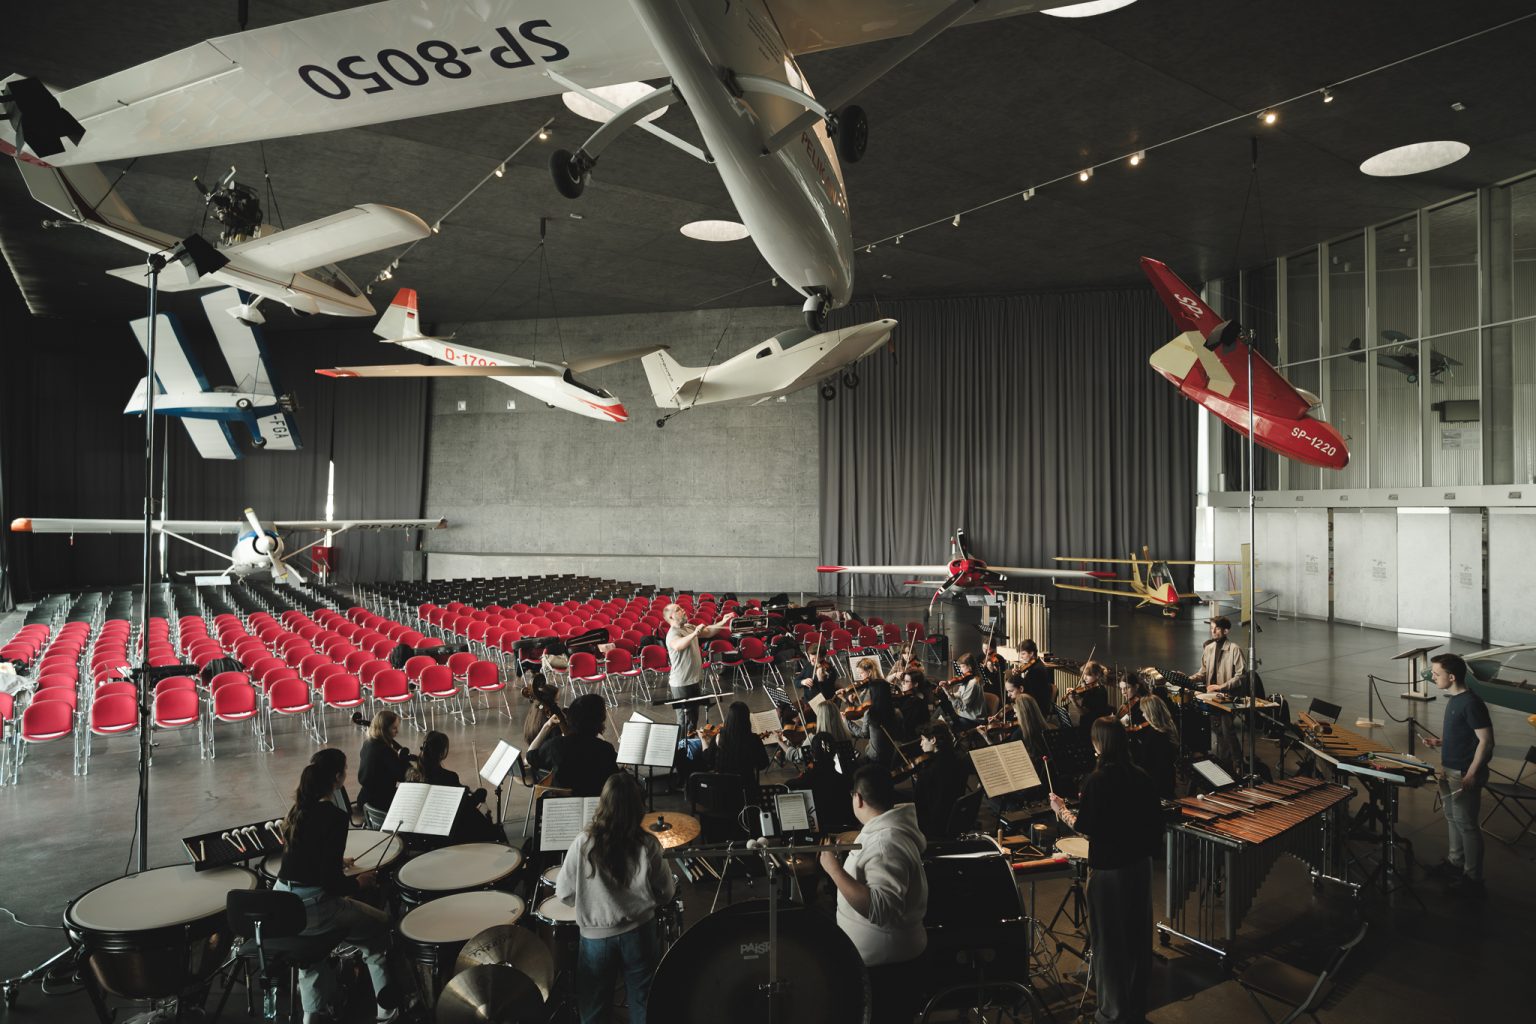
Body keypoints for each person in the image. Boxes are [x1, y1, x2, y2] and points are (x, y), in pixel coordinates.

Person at [1050, 719, 1162, 1024]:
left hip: (1110, 872)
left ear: (1099, 745)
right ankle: (1135, 1008)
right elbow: (1154, 823)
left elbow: (1087, 828)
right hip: (1140, 867)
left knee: (1109, 943)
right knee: (1138, 939)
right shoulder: (1142, 776)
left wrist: (1061, 811)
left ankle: (1111, 1013)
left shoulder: (1096, 781)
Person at [275, 748, 398, 1024]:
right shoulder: (334, 817)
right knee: (379, 927)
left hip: (283, 904)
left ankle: (311, 1015)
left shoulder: (298, 808)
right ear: (338, 778)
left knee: (311, 956)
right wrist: (358, 882)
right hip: (315, 908)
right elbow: (332, 885)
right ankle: (386, 1009)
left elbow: (304, 856)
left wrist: (337, 861)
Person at [555, 773, 676, 1024]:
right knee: (643, 1004)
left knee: (594, 1009)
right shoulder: (648, 844)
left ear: (603, 803)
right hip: (639, 933)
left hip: (595, 940)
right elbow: (666, 892)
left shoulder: (583, 843)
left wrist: (592, 900)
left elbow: (564, 893)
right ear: (638, 807)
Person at [820, 766, 929, 1021]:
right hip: (884, 961)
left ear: (858, 798)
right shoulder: (885, 833)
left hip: (886, 970)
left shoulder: (885, 844)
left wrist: (834, 870)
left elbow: (881, 908)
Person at [1421, 653, 1494, 897]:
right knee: (1453, 818)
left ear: (1451, 677)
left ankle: (1473, 878)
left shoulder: (1471, 703)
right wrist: (1441, 742)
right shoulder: (1455, 700)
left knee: (1467, 825)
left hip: (1463, 772)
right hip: (1449, 768)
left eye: (1436, 674)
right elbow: (1465, 734)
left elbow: (1486, 741)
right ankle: (1455, 863)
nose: (1433, 677)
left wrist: (1471, 773)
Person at [407, 730, 501, 842]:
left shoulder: (412, 774)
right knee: (489, 829)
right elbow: (464, 807)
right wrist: (479, 794)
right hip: (448, 833)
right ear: (442, 753)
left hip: (423, 831)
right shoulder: (449, 777)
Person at [527, 693, 619, 797]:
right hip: (594, 805)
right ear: (599, 722)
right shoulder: (605, 749)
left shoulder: (555, 746)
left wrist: (547, 726)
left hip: (561, 804)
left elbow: (530, 756)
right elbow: (615, 781)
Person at [663, 603, 735, 732]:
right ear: (671, 617)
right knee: (684, 720)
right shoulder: (672, 634)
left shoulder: (688, 627)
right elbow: (678, 645)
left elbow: (708, 632)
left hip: (694, 680)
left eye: (681, 608)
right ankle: (681, 744)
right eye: (678, 610)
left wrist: (723, 621)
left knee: (693, 719)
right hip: (681, 683)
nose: (683, 610)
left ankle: (691, 741)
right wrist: (695, 633)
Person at [789, 704, 857, 832]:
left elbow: (795, 757)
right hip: (842, 807)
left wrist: (783, 743)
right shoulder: (847, 735)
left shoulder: (813, 739)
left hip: (819, 816)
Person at [1188, 616, 1245, 762]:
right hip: (1211, 696)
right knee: (1218, 730)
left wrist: (1221, 686)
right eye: (1212, 628)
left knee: (1227, 730)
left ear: (1226, 631)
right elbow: (1203, 673)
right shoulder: (1209, 648)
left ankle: (1238, 762)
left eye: (1217, 628)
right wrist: (1188, 679)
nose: (1213, 631)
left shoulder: (1234, 649)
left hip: (1228, 696)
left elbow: (1241, 676)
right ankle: (1224, 761)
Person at [911, 721, 970, 838]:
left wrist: (920, 782)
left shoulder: (928, 771)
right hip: (954, 821)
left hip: (933, 829)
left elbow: (919, 806)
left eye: (923, 739)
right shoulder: (960, 760)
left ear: (933, 740)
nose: (921, 744)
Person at [700, 700, 770, 797]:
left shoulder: (719, 737)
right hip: (746, 792)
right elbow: (763, 764)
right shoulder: (753, 739)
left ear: (728, 717)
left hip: (722, 793)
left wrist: (703, 740)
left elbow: (708, 760)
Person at [357, 709, 412, 825]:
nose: (397, 731)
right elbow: (402, 776)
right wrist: (403, 760)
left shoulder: (368, 743)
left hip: (364, 798)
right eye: (394, 728)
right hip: (379, 803)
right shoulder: (384, 750)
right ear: (383, 730)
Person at [1133, 695, 1180, 800]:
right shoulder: (1168, 728)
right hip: (1168, 779)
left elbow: (1145, 762)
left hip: (1156, 785)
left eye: (1144, 712)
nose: (1143, 715)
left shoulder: (1155, 735)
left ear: (1151, 713)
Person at [941, 653, 986, 730]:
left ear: (970, 666)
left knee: (948, 727)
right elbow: (960, 694)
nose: (961, 670)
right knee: (944, 720)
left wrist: (949, 695)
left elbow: (963, 707)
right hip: (964, 715)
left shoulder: (973, 683)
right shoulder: (966, 679)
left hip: (973, 719)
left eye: (962, 666)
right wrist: (950, 693)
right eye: (960, 667)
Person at [1015, 640, 1056, 718]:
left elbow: (1026, 691)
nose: (1021, 657)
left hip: (1037, 710)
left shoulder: (1036, 670)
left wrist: (1017, 677)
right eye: (1020, 654)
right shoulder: (1036, 664)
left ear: (1031, 653)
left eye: (1023, 654)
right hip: (1035, 704)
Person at [1070, 661, 1113, 729]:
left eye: (1088, 675)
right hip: (1088, 724)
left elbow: (1082, 712)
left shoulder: (1098, 692)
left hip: (1092, 727)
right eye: (1084, 675)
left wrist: (1073, 701)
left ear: (1097, 676)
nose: (1084, 678)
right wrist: (1074, 691)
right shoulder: (1092, 688)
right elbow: (1081, 695)